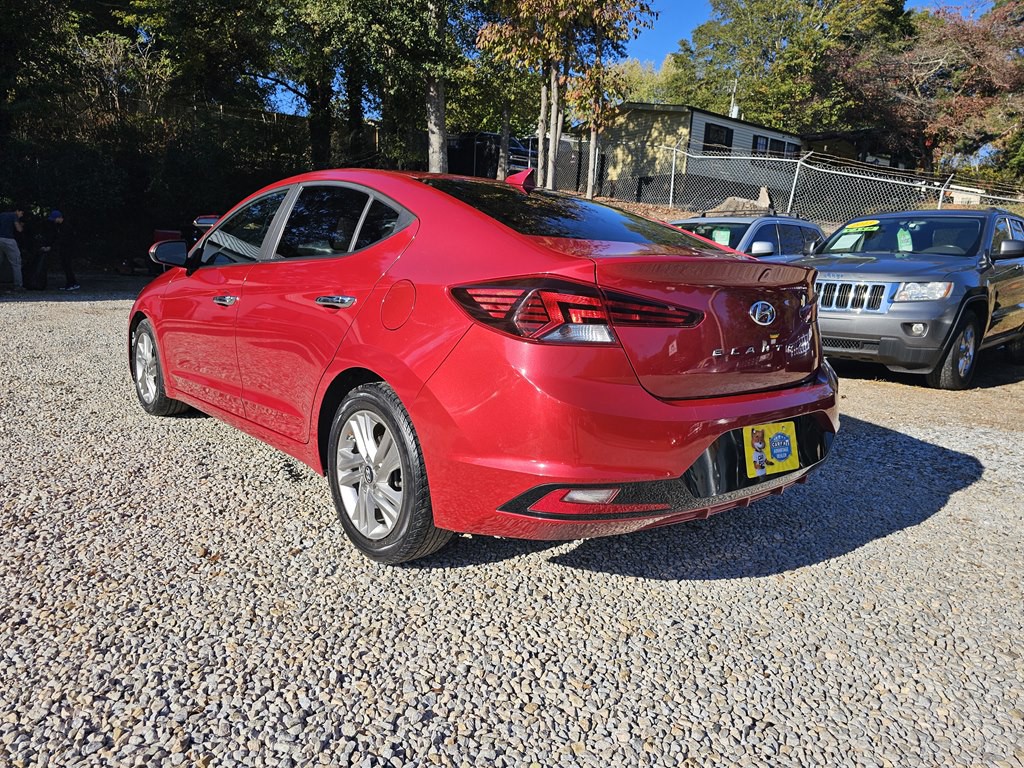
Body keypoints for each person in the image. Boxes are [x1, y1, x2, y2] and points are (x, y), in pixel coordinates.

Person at [40, 209, 78, 291]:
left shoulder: (66, 227)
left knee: (67, 266)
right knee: (66, 266)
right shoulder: (60, 226)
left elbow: (62, 239)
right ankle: (70, 283)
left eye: (55, 219)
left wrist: (51, 247)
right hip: (64, 248)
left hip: (68, 249)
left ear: (59, 218)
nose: (54, 221)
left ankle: (72, 283)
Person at [0, 204, 25, 291]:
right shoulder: (14, 216)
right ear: (17, 211)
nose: (21, 215)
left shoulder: (2, 215)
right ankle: (18, 285)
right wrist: (21, 225)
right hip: (8, 240)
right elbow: (19, 229)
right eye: (21, 213)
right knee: (16, 263)